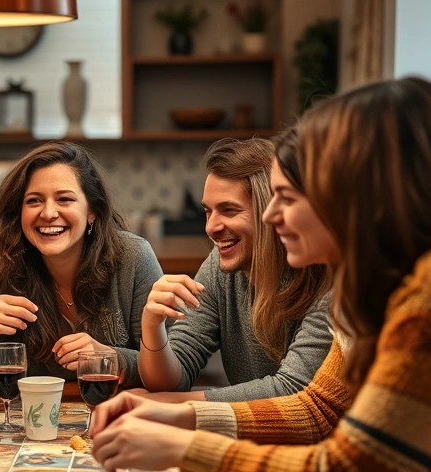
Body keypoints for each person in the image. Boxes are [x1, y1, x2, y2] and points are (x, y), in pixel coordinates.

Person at [90, 77, 431, 472]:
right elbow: (316, 411)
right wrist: (179, 418)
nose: (272, 214)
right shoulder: (384, 287)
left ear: (360, 191)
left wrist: (183, 447)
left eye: (291, 195)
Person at [0, 142, 161, 393]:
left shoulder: (133, 257)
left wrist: (110, 357)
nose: (48, 213)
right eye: (34, 201)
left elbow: (172, 370)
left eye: (65, 199)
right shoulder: (7, 259)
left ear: (92, 210)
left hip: (117, 418)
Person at [136, 137, 331, 402]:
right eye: (208, 211)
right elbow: (173, 377)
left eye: (229, 210)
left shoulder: (324, 277)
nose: (210, 227)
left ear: (270, 212)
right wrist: (152, 324)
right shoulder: (219, 265)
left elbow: (293, 390)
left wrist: (171, 405)